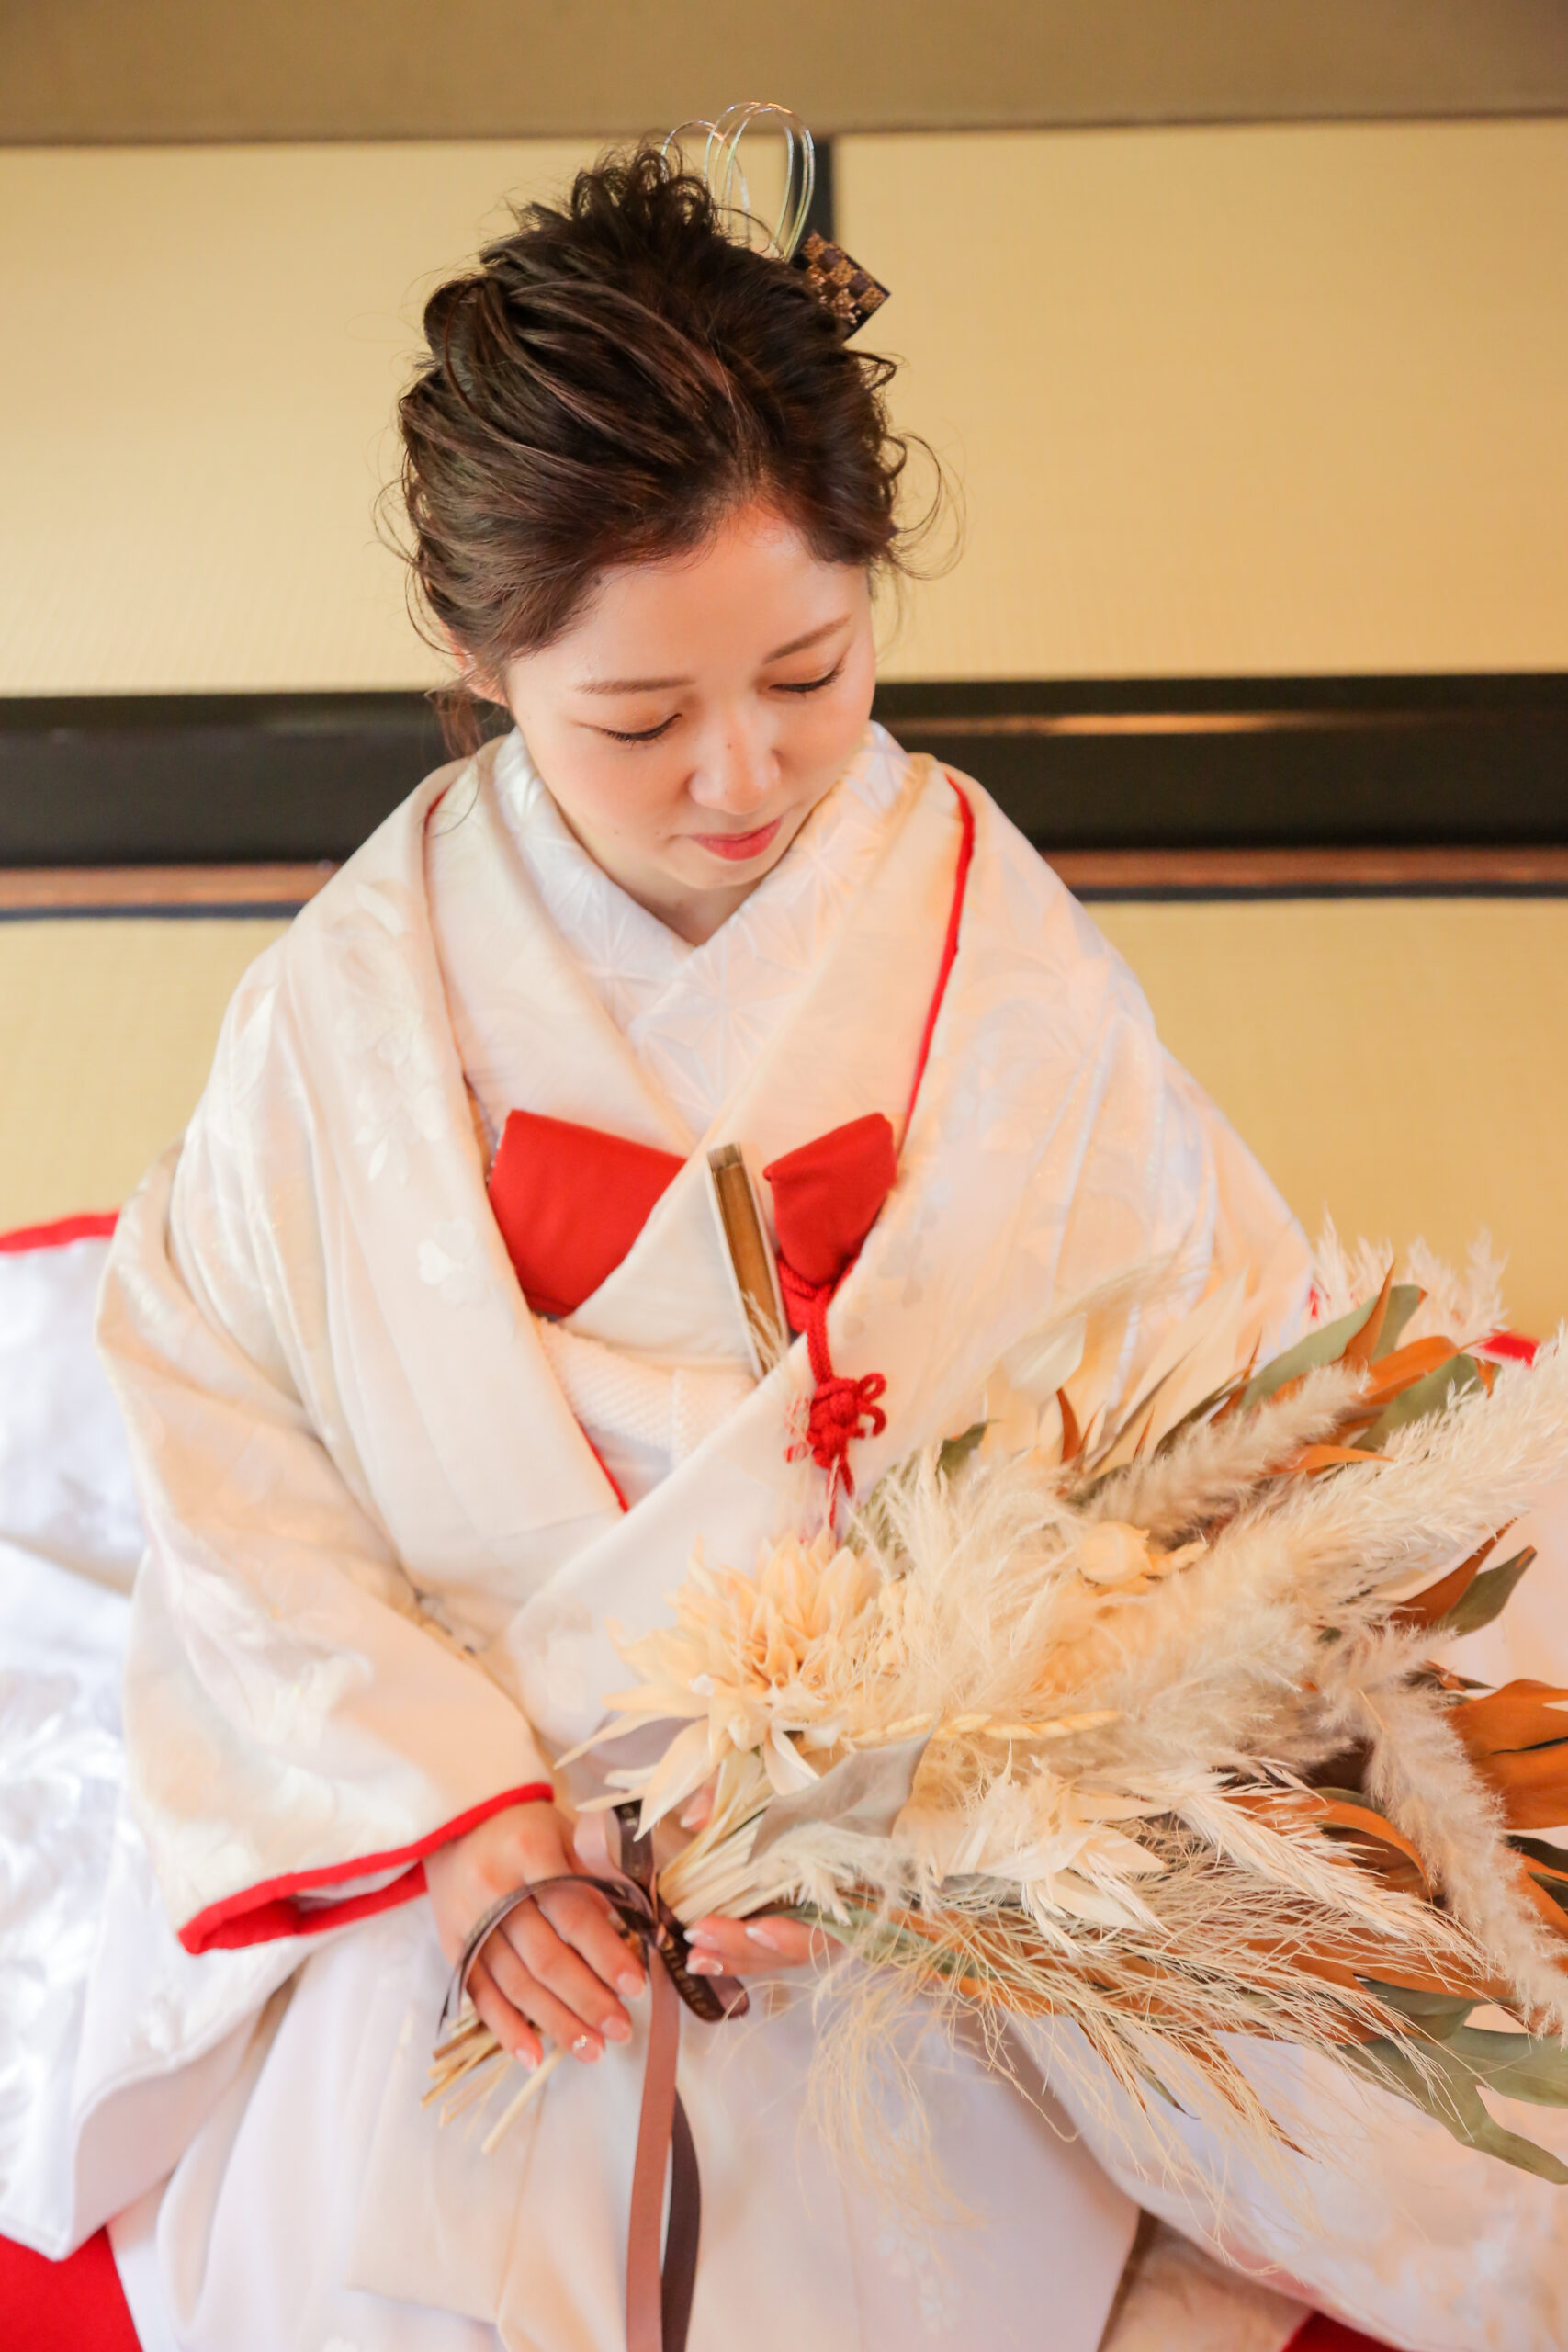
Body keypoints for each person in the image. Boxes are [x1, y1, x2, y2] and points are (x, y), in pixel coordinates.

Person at [6, 140, 1567, 2352]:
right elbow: (224, 1425)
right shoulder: (351, 1001)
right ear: (478, 659)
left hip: (908, 1801)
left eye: (809, 673)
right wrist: (465, 1832)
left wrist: (916, 1800)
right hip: (494, 1771)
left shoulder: (985, 945)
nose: (741, 776)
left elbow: (1178, 1395)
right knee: (376, 2253)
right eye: (636, 719)